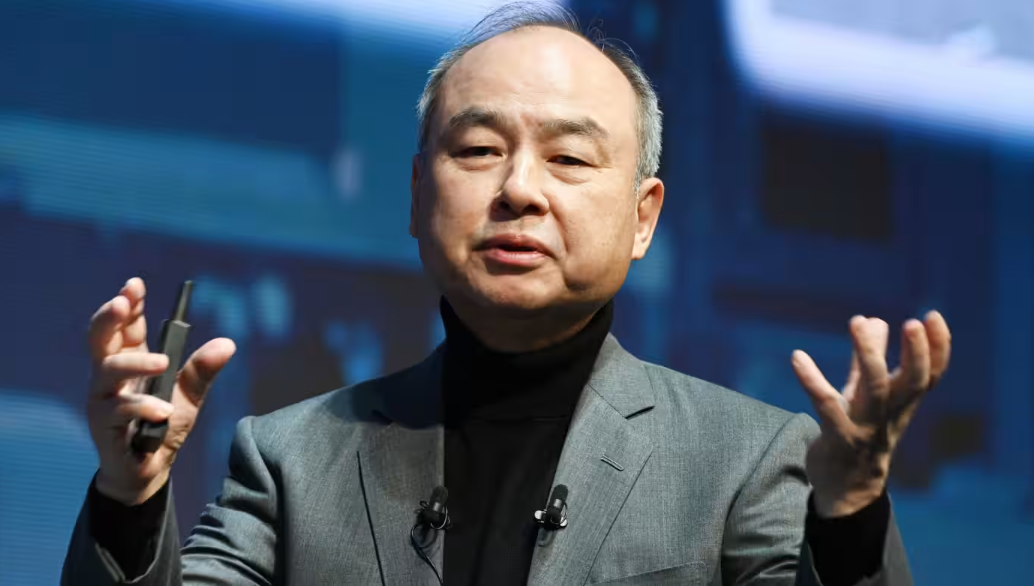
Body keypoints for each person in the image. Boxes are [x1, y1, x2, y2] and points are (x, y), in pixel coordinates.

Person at [62, 4, 951, 585]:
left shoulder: (749, 459)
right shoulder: (289, 459)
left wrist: (848, 519)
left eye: (568, 157)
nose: (520, 188)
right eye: (480, 150)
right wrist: (131, 496)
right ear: (419, 195)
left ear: (644, 217)